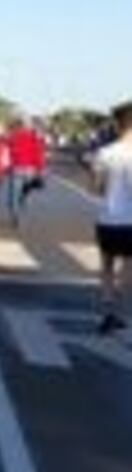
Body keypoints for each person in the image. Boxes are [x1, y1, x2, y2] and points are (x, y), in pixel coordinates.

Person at [91, 101, 132, 335]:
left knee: (106, 267)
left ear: (118, 125)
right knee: (127, 270)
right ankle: (119, 311)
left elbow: (96, 188)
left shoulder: (105, 153)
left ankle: (107, 313)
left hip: (107, 220)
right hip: (130, 222)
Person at [7, 117, 48, 228]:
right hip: (30, 169)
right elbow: (39, 154)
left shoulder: (14, 136)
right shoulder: (35, 137)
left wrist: (7, 166)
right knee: (24, 192)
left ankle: (16, 216)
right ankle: (22, 205)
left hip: (17, 168)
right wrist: (40, 169)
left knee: (14, 195)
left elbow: (9, 152)